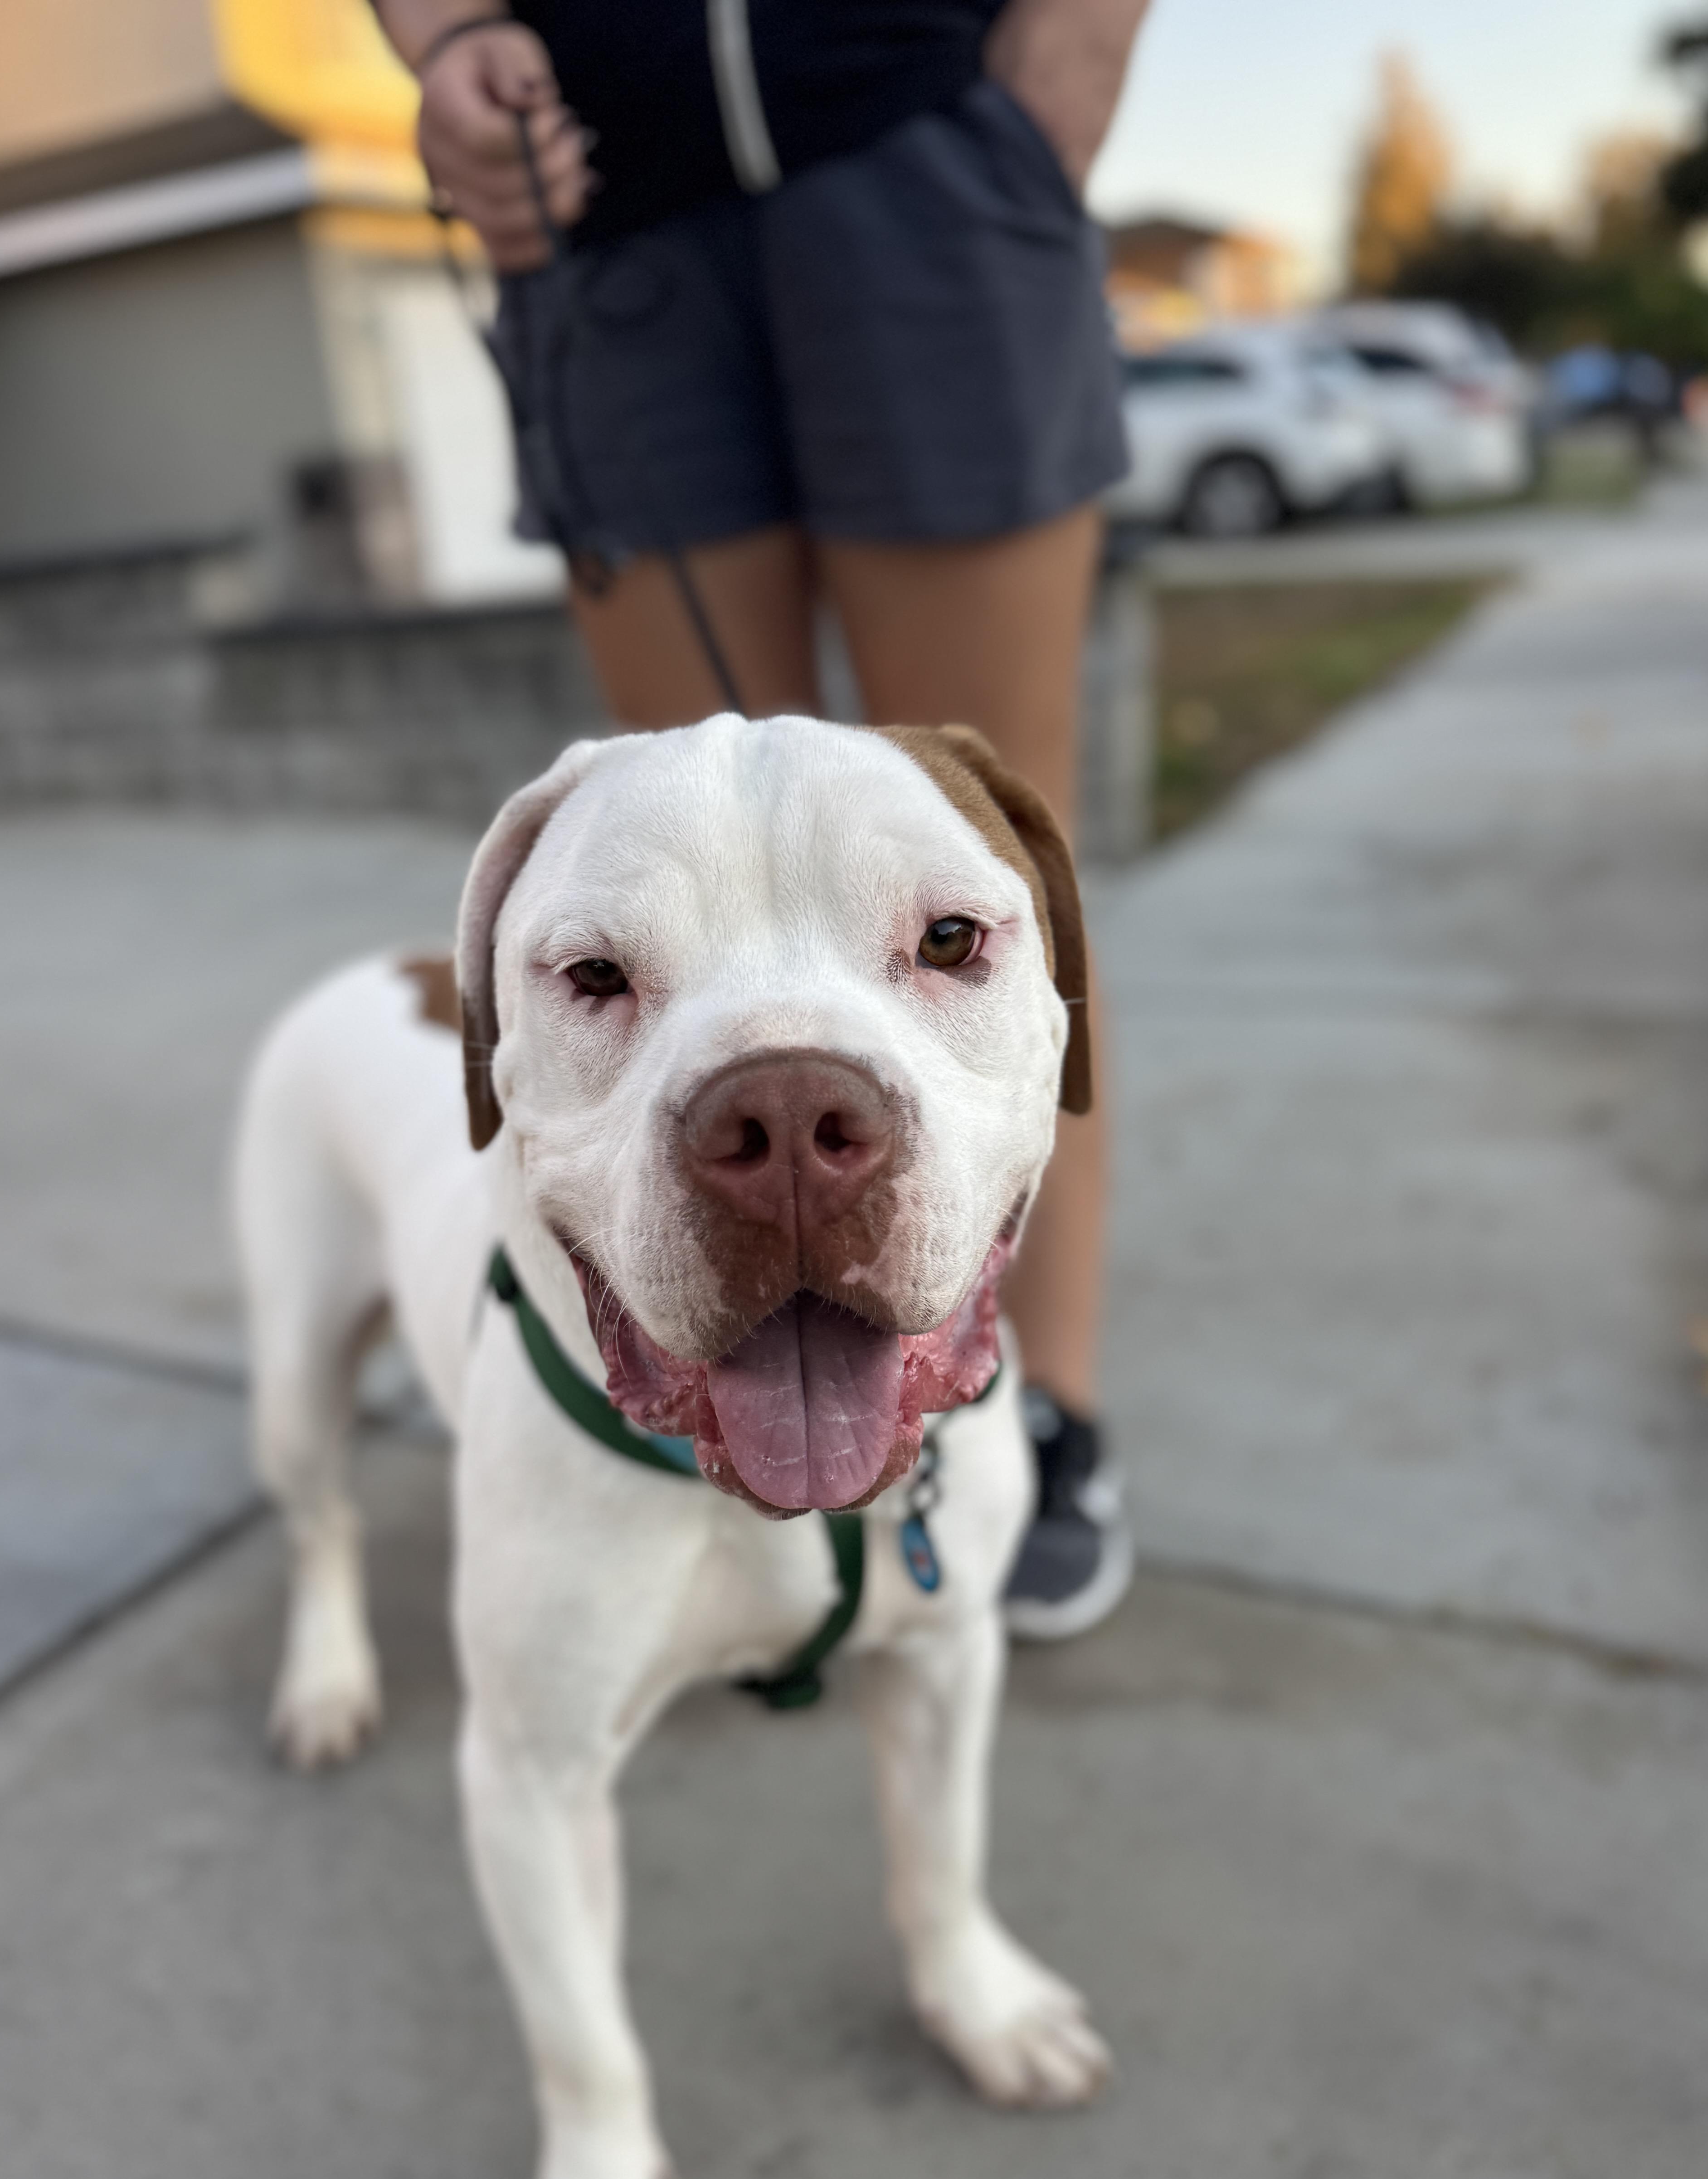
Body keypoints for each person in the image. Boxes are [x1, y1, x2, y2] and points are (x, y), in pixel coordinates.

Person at [371, 0, 1150, 1635]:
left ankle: (1037, 1413)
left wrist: (1055, 73)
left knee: (979, 888)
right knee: (678, 856)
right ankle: (704, 1412)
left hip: (924, 140)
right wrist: (442, 38)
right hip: (603, 194)